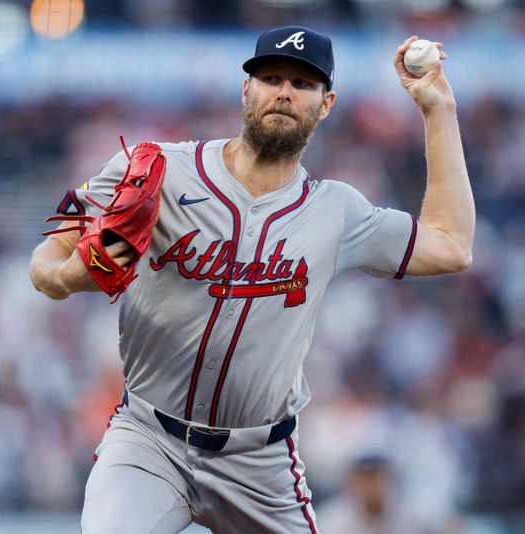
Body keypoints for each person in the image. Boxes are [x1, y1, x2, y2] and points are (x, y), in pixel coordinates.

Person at [29, 25, 474, 534]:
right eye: (271, 77)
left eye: (302, 84)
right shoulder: (155, 169)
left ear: (326, 104)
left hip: (259, 464)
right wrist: (67, 277)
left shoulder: (337, 210)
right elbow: (48, 255)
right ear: (247, 90)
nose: (284, 92)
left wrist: (439, 111)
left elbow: (451, 246)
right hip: (147, 442)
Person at [316, 453, 434, 534]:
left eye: (376, 478)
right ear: (352, 483)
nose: (371, 486)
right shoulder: (332, 521)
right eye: (365, 479)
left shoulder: (412, 521)